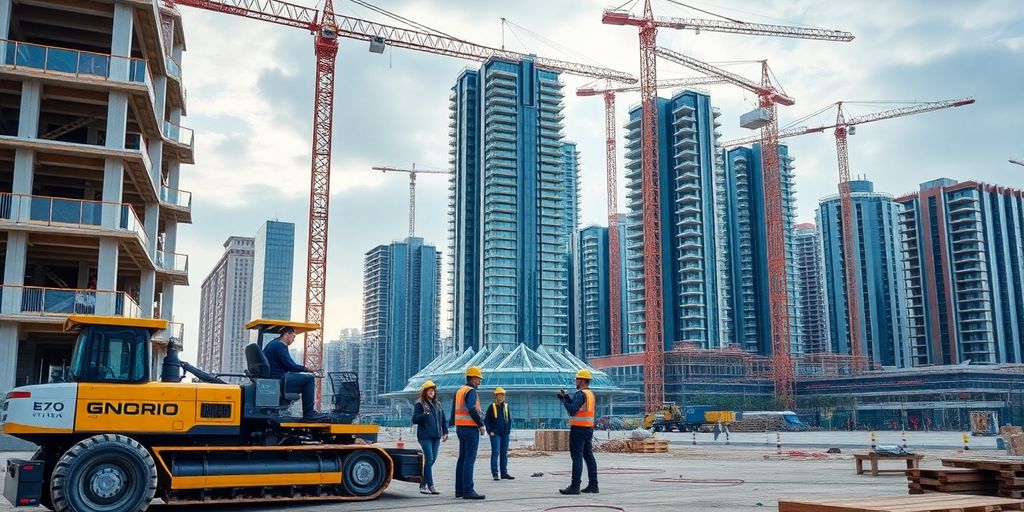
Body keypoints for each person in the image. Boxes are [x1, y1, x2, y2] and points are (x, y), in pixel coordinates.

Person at [262, 326, 328, 422]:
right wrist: (307, 369)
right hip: (279, 380)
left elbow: (287, 366)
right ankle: (309, 413)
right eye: (293, 336)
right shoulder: (280, 345)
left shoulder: (274, 344)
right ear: (287, 335)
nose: (293, 339)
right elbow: (289, 365)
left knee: (304, 380)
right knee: (309, 378)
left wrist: (301, 370)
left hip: (275, 378)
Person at [557, 369, 598, 495]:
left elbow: (573, 410)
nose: (575, 381)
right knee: (588, 456)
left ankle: (575, 486)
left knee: (577, 457)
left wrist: (564, 401)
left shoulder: (581, 394)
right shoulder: (590, 394)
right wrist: (567, 397)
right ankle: (593, 485)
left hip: (578, 429)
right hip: (588, 428)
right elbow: (578, 407)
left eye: (577, 379)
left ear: (582, 380)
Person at [451, 366, 486, 500]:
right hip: (470, 428)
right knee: (469, 460)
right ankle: (468, 490)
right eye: (478, 379)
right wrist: (481, 424)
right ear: (471, 377)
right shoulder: (471, 391)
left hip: (460, 428)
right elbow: (471, 408)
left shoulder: (460, 390)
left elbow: (456, 410)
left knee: (462, 459)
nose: (479, 382)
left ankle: (459, 490)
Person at [412, 380, 447, 495]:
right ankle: (431, 485)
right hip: (425, 436)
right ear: (425, 392)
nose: (431, 392)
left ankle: (423, 483)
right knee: (430, 459)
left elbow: (443, 419)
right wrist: (424, 415)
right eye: (429, 390)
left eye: (433, 390)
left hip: (436, 436)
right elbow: (415, 419)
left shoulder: (438, 404)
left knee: (433, 459)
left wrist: (445, 432)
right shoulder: (420, 404)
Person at [485, 387, 514, 481]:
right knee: (495, 453)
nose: (501, 397)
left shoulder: (506, 406)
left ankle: (504, 473)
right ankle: (495, 473)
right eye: (500, 395)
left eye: (503, 395)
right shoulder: (492, 407)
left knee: (504, 453)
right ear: (496, 396)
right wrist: (490, 431)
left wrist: (508, 431)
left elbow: (509, 419)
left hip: (505, 434)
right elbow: (487, 420)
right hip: (495, 434)